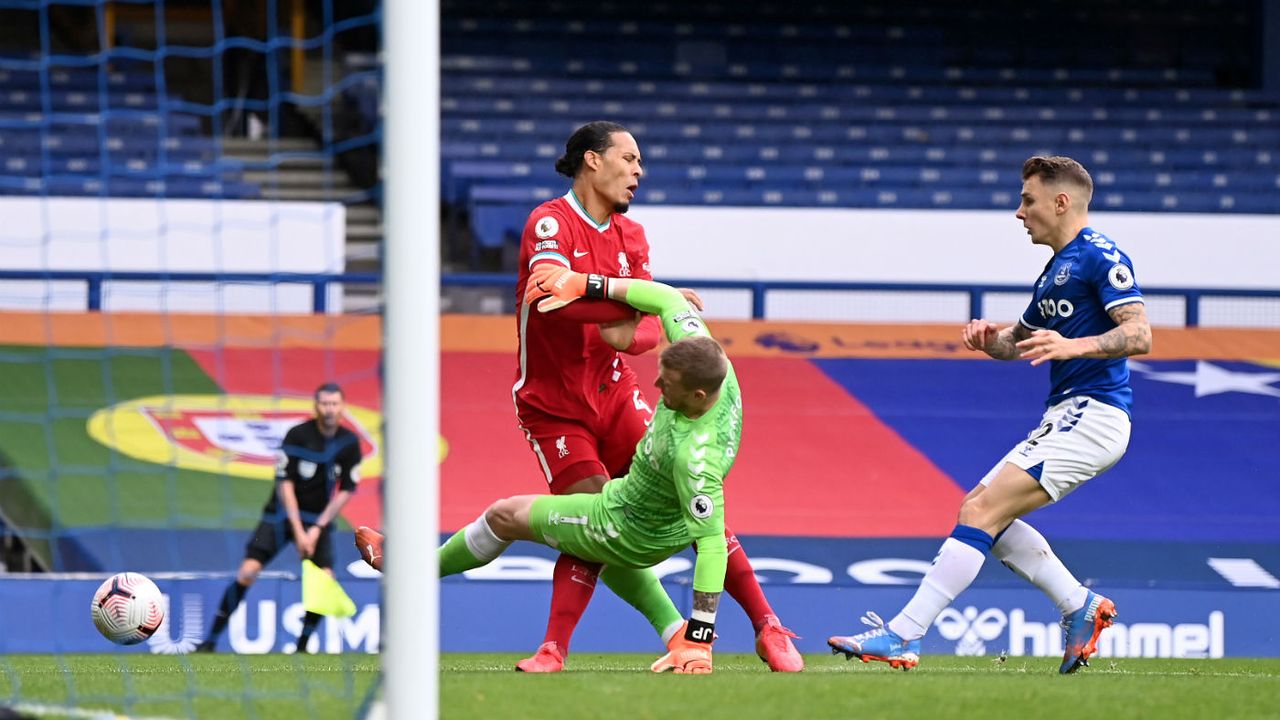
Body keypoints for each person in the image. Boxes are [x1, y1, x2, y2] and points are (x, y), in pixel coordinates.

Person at [828, 155, 1152, 674]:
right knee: (981, 512)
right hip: (1067, 415)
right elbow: (1016, 343)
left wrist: (1075, 346)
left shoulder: (1100, 255)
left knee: (981, 514)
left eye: (1027, 199)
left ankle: (902, 634)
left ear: (1060, 201)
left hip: (1095, 415)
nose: (1018, 212)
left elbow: (1140, 333)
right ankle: (1078, 605)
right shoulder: (1053, 272)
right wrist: (989, 341)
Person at [503, 120, 801, 672]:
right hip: (553, 404)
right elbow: (551, 291)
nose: (639, 171)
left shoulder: (632, 237)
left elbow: (630, 338)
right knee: (593, 513)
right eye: (630, 158)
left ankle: (768, 624)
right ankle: (559, 647)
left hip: (614, 392)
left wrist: (639, 311)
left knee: (686, 496)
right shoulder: (550, 221)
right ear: (593, 160)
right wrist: (643, 302)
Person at [362, 272, 753, 674]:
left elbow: (711, 546)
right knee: (561, 512)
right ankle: (675, 629)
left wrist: (701, 640)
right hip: (642, 505)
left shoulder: (695, 459)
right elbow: (665, 297)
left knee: (504, 515)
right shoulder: (711, 362)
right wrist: (584, 284)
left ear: (698, 396)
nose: (656, 384)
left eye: (667, 384)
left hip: (628, 525)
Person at [195, 382, 363, 653]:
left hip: (317, 521)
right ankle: (210, 641)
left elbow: (346, 490)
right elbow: (285, 484)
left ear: (342, 407)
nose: (329, 409)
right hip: (281, 514)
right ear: (315, 407)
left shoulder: (348, 443)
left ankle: (302, 647)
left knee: (324, 579)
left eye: (334, 404)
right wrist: (299, 531)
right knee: (248, 571)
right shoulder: (298, 435)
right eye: (324, 404)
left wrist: (317, 528)